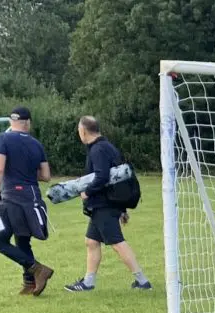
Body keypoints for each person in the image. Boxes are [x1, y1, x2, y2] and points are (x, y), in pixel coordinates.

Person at [63, 117, 151, 292]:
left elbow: (102, 177)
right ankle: (88, 282)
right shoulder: (107, 147)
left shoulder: (98, 150)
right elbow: (118, 178)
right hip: (106, 204)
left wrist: (87, 192)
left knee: (117, 242)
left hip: (104, 205)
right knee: (91, 241)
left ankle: (142, 281)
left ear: (83, 131)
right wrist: (122, 209)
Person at [0, 106, 53, 296]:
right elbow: (46, 175)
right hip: (31, 199)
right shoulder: (36, 144)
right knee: (22, 241)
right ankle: (30, 283)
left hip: (11, 199)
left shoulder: (3, 139)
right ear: (28, 123)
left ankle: (38, 269)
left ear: (11, 122)